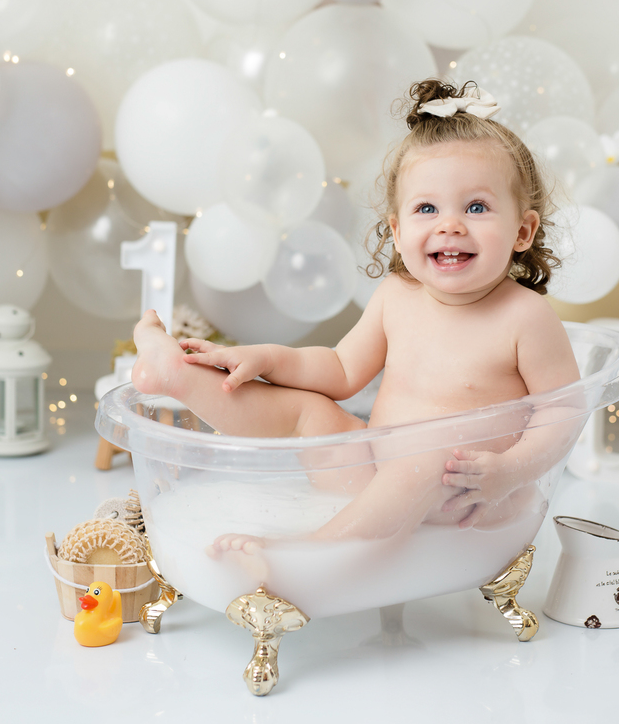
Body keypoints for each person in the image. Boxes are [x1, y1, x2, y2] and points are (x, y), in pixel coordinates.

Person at [131, 79, 581, 554]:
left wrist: (507, 473)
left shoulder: (526, 317)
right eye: (427, 208)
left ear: (523, 231)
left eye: (477, 206)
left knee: (427, 463)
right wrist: (266, 357)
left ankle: (306, 553)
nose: (450, 224)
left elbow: (563, 412)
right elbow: (342, 371)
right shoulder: (397, 295)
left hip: (470, 494)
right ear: (398, 229)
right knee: (311, 413)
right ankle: (178, 376)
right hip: (373, 471)